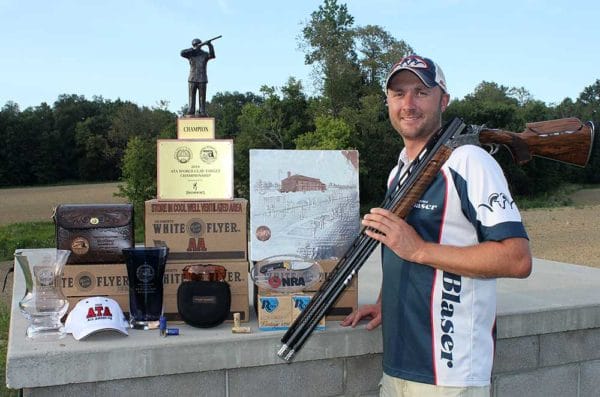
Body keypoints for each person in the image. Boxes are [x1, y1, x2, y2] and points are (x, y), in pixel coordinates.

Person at [341, 55, 532, 396]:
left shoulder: (470, 161)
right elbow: (398, 245)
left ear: (443, 99)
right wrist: (387, 300)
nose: (408, 103)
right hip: (399, 365)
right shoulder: (399, 171)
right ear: (388, 102)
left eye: (421, 92)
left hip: (450, 373)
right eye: (398, 94)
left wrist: (421, 250)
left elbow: (516, 259)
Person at [181, 38, 215, 116]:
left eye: (198, 44)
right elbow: (182, 53)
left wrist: (210, 45)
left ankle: (202, 110)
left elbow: (212, 55)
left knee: (202, 97)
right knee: (191, 96)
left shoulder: (204, 54)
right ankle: (191, 109)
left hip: (202, 78)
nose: (197, 46)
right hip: (192, 78)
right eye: (195, 45)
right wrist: (193, 49)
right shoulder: (190, 54)